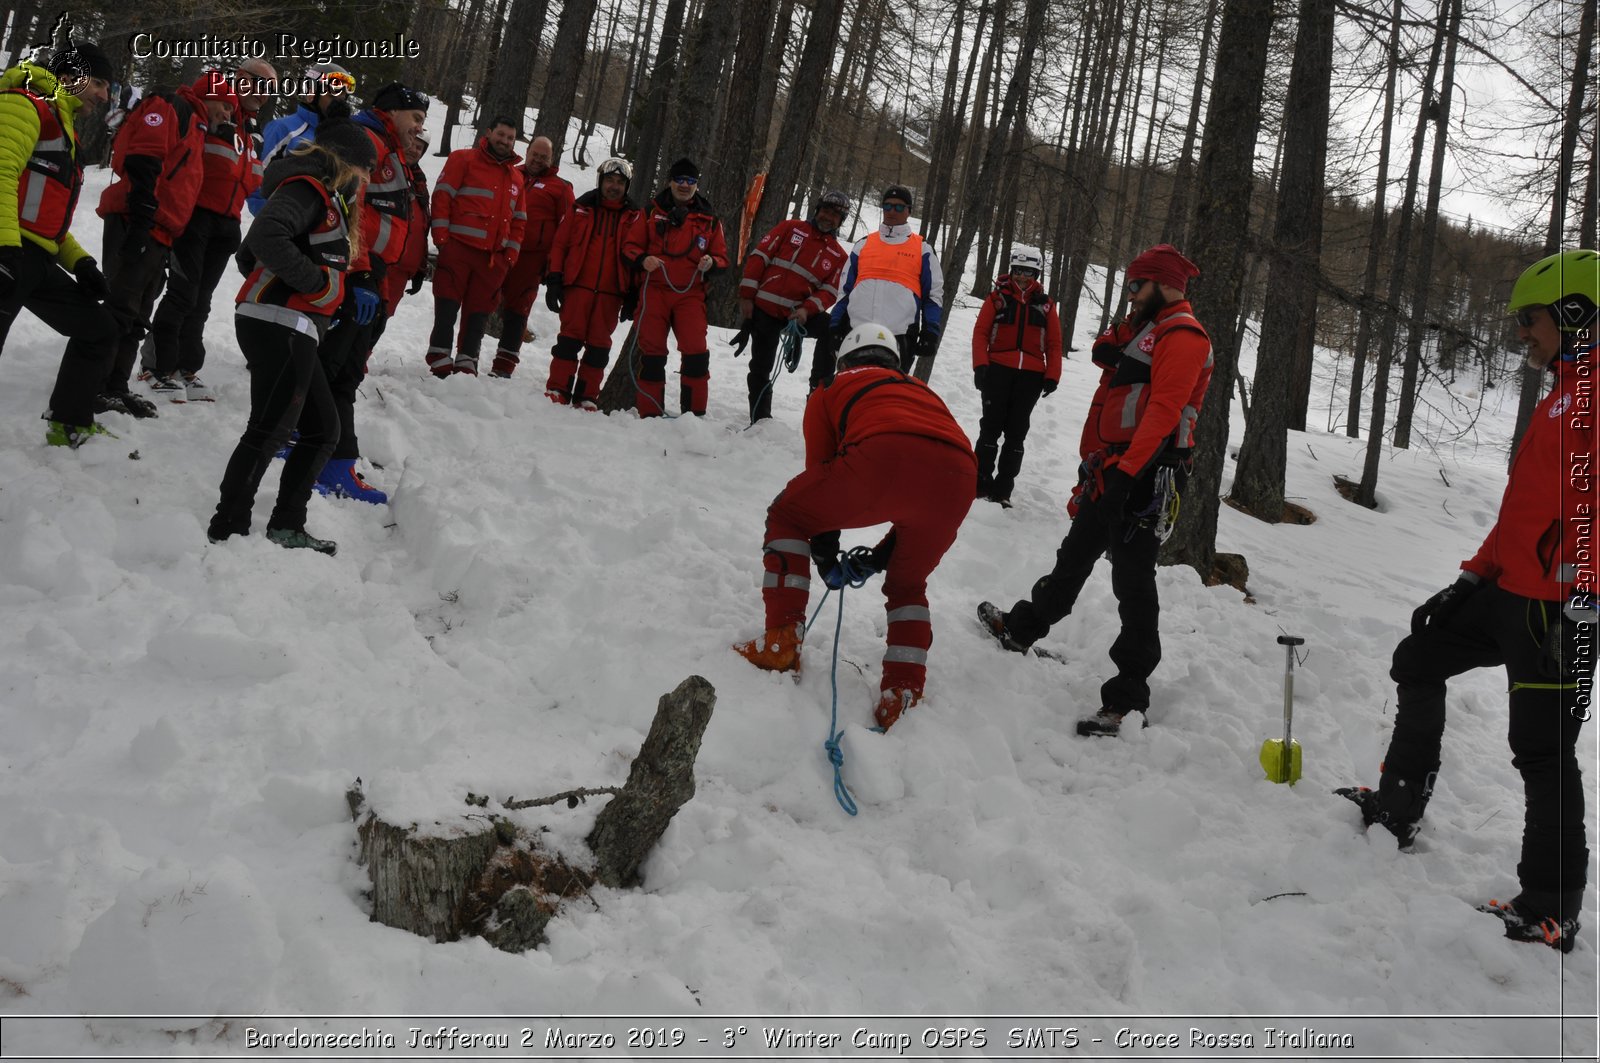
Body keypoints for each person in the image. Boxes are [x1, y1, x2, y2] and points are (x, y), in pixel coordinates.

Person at [1337, 248, 1598, 954]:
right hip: (1507, 592)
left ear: (1577, 315)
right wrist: (1473, 576)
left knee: (1542, 751)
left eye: (1533, 320)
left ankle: (1553, 905)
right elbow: (1528, 506)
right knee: (1418, 656)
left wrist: (1586, 602)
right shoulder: (1567, 390)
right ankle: (1397, 805)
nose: (1524, 335)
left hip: (1558, 609)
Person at [977, 244, 1211, 738]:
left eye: (1135, 286)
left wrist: (1127, 475)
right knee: (1073, 557)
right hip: (1114, 468)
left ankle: (1127, 698)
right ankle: (1020, 630)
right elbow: (1115, 348)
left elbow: (1165, 410)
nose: (1129, 296)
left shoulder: (1184, 335)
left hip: (1146, 476)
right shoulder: (1150, 326)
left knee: (1133, 583)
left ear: (1163, 285)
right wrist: (1120, 334)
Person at [734, 322, 977, 730]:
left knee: (788, 514)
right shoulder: (920, 389)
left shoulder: (832, 387)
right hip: (960, 477)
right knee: (908, 584)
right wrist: (883, 558)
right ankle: (902, 692)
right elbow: (924, 476)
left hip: (882, 456)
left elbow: (821, 471)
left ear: (844, 358)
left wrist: (825, 553)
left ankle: (781, 640)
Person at [208, 120, 376, 555]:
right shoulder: (309, 189)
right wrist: (314, 288)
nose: (370, 180)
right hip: (280, 324)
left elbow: (250, 255)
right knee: (272, 429)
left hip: (285, 323)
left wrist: (314, 299)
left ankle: (283, 524)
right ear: (347, 163)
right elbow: (263, 238)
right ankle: (230, 526)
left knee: (320, 429)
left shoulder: (324, 198)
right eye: (367, 170)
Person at [0, 40, 121, 447]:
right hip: (7, 250)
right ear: (69, 77)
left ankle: (69, 422)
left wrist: (81, 263)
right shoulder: (25, 105)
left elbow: (43, 215)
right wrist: (4, 250)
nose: (105, 95)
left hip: (30, 256)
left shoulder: (62, 125)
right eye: (100, 83)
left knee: (99, 330)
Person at [312, 81, 427, 505]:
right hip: (356, 273)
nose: (418, 128)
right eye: (415, 118)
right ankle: (333, 463)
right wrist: (360, 274)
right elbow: (347, 210)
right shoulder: (369, 143)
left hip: (373, 273)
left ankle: (310, 444)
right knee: (339, 371)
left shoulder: (390, 149)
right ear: (392, 112)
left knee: (337, 366)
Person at [143, 70, 268, 401]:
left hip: (227, 223)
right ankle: (156, 365)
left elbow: (253, 179)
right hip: (194, 218)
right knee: (182, 293)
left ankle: (186, 367)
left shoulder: (247, 129)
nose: (265, 94)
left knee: (201, 300)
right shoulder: (204, 112)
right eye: (261, 85)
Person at [94, 71, 211, 418]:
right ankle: (96, 384)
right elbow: (145, 155)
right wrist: (142, 216)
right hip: (137, 220)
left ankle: (115, 385)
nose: (226, 115)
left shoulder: (198, 130)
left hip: (161, 229)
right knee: (120, 306)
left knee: (137, 313)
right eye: (224, 106)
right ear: (209, 98)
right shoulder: (170, 106)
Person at [621, 157, 728, 417]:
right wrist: (642, 260)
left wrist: (711, 262)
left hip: (690, 295)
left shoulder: (710, 219)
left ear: (696, 185)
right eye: (679, 180)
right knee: (653, 353)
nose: (684, 185)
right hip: (654, 291)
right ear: (670, 182)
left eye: (690, 181)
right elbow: (629, 247)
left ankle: (693, 414)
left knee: (696, 352)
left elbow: (723, 259)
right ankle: (650, 413)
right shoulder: (650, 211)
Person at [734, 190, 848, 422]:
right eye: (826, 210)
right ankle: (760, 420)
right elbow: (759, 257)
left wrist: (806, 310)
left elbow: (829, 292)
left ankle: (818, 389)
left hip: (795, 316)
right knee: (760, 367)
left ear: (841, 220)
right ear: (817, 209)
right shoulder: (790, 228)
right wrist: (747, 296)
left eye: (835, 215)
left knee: (831, 327)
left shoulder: (839, 256)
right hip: (764, 310)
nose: (829, 217)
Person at [426, 116, 525, 377]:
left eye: (510, 138)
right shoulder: (463, 159)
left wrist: (510, 255)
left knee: (479, 311)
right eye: (501, 135)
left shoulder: (516, 176)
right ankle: (439, 354)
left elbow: (519, 220)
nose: (505, 141)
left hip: (493, 260)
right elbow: (443, 196)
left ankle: (467, 358)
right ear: (489, 133)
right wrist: (441, 239)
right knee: (447, 304)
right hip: (458, 248)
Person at [542, 156, 641, 408]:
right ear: (601, 181)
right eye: (610, 180)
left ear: (626, 186)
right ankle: (558, 388)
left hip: (611, 293)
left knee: (599, 346)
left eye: (620, 182)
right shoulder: (580, 207)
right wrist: (554, 278)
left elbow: (639, 256)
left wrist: (633, 294)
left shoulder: (635, 217)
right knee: (568, 340)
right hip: (577, 287)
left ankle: (587, 395)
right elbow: (560, 244)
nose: (614, 186)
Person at [971, 247, 1063, 506]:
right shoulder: (997, 299)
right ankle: (979, 484)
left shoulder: (1045, 305)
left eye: (1029, 273)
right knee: (990, 427)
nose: (1023, 278)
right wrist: (980, 365)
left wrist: (1052, 375)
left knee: (1016, 432)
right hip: (997, 369)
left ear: (1036, 274)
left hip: (1032, 375)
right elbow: (980, 333)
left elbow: (1055, 344)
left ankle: (1002, 491)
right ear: (1012, 271)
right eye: (1019, 272)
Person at [825, 184, 943, 383]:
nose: (892, 212)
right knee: (850, 390)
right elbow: (845, 292)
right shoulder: (863, 244)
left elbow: (933, 296)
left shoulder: (922, 249)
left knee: (886, 397)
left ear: (909, 211)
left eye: (898, 207)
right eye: (887, 206)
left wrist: (930, 332)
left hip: (899, 337)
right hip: (857, 332)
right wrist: (835, 324)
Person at [491, 134, 572, 378]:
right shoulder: (511, 173)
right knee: (482, 300)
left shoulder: (560, 188)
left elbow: (566, 230)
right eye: (534, 155)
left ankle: (503, 366)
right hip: (499, 250)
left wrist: (553, 265)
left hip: (530, 259)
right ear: (526, 153)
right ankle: (467, 356)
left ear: (552, 159)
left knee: (517, 310)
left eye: (543, 157)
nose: (537, 160)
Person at [246, 63, 354, 215]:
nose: (340, 100)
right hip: (283, 227)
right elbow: (254, 181)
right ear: (312, 93)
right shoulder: (284, 129)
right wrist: (274, 220)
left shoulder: (340, 140)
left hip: (322, 233)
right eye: (333, 94)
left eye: (344, 96)